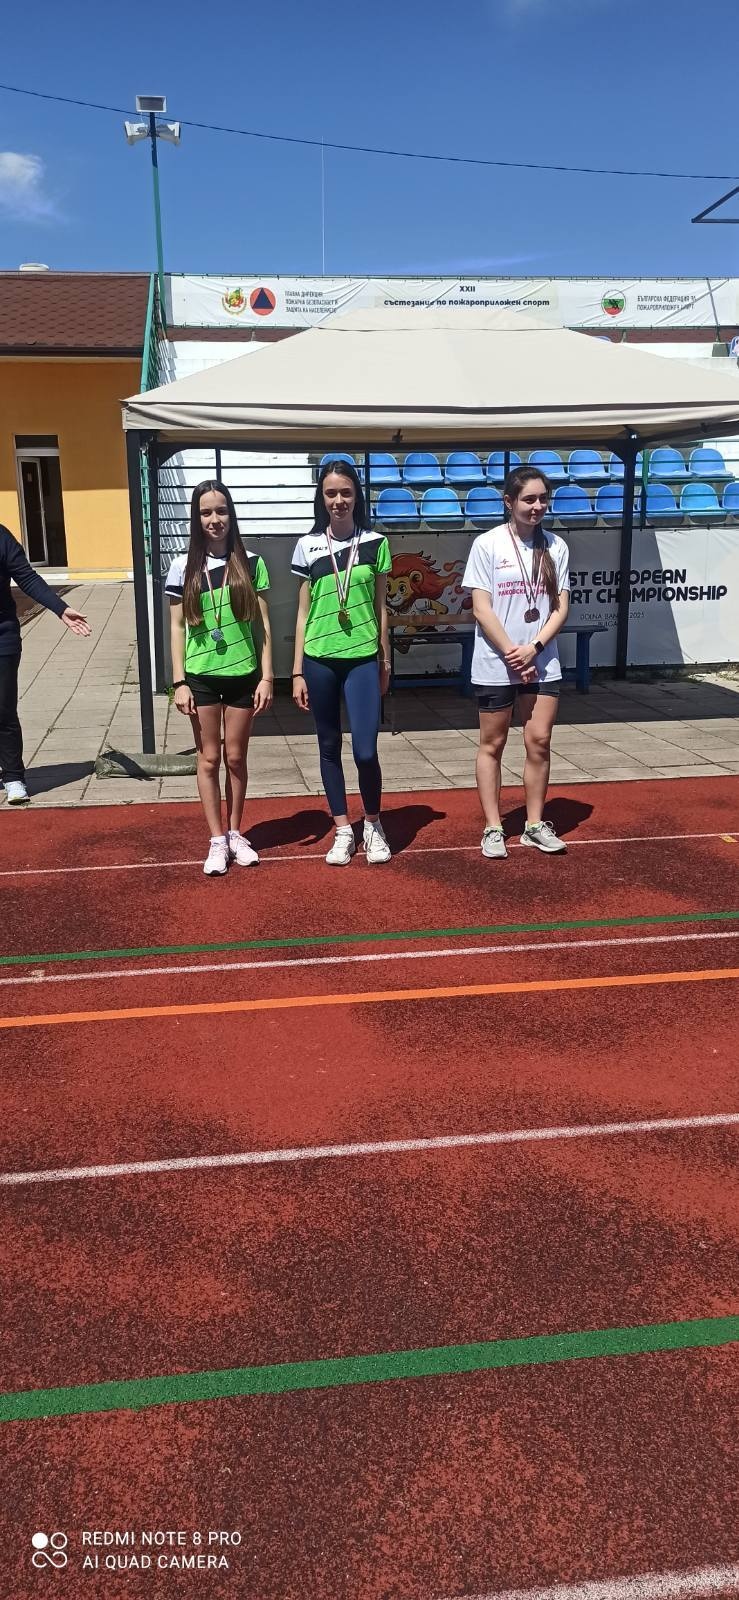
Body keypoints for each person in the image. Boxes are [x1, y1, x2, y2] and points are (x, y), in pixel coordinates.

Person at [462, 465, 570, 858]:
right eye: (529, 499)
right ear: (509, 501)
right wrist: (513, 650)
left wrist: (534, 648)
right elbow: (481, 608)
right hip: (496, 663)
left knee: (538, 741)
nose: (537, 506)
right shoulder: (487, 544)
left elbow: (560, 607)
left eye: (543, 499)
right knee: (493, 743)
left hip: (541, 662)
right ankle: (493, 827)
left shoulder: (556, 546)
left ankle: (534, 825)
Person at [166, 480, 273, 876]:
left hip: (244, 674)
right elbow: (176, 627)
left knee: (236, 758)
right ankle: (216, 840)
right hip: (201, 677)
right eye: (206, 512)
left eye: (221, 511)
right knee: (209, 758)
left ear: (232, 514)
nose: (215, 519)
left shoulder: (252, 563)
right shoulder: (181, 567)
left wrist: (267, 677)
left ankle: (235, 833)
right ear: (196, 518)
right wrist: (179, 682)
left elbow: (263, 625)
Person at [291, 459, 392, 865]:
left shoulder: (377, 543)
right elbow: (302, 613)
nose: (338, 500)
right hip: (318, 659)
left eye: (346, 492)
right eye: (331, 493)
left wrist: (385, 659)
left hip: (363, 658)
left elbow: (381, 607)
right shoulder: (307, 545)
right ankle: (343, 829)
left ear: (357, 496)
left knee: (365, 750)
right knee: (329, 745)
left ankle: (373, 824)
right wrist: (296, 670)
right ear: (321, 497)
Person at [0, 524, 91, 805]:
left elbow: (27, 577)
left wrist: (60, 608)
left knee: (3, 710)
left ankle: (14, 777)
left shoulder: (1, 537)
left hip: (2, 638)